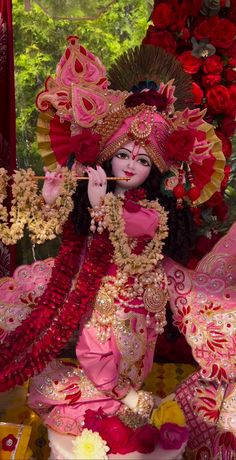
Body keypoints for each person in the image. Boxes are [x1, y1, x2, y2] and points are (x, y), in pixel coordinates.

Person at [0, 37, 235, 459]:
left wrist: (98, 205)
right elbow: (68, 232)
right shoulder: (97, 193)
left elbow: (130, 228)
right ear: (109, 157)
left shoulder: (153, 213)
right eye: (124, 154)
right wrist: (55, 197)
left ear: (154, 172)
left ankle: (122, 409)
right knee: (92, 352)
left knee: (130, 361)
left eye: (143, 161)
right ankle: (114, 410)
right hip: (99, 299)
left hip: (138, 305)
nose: (130, 165)